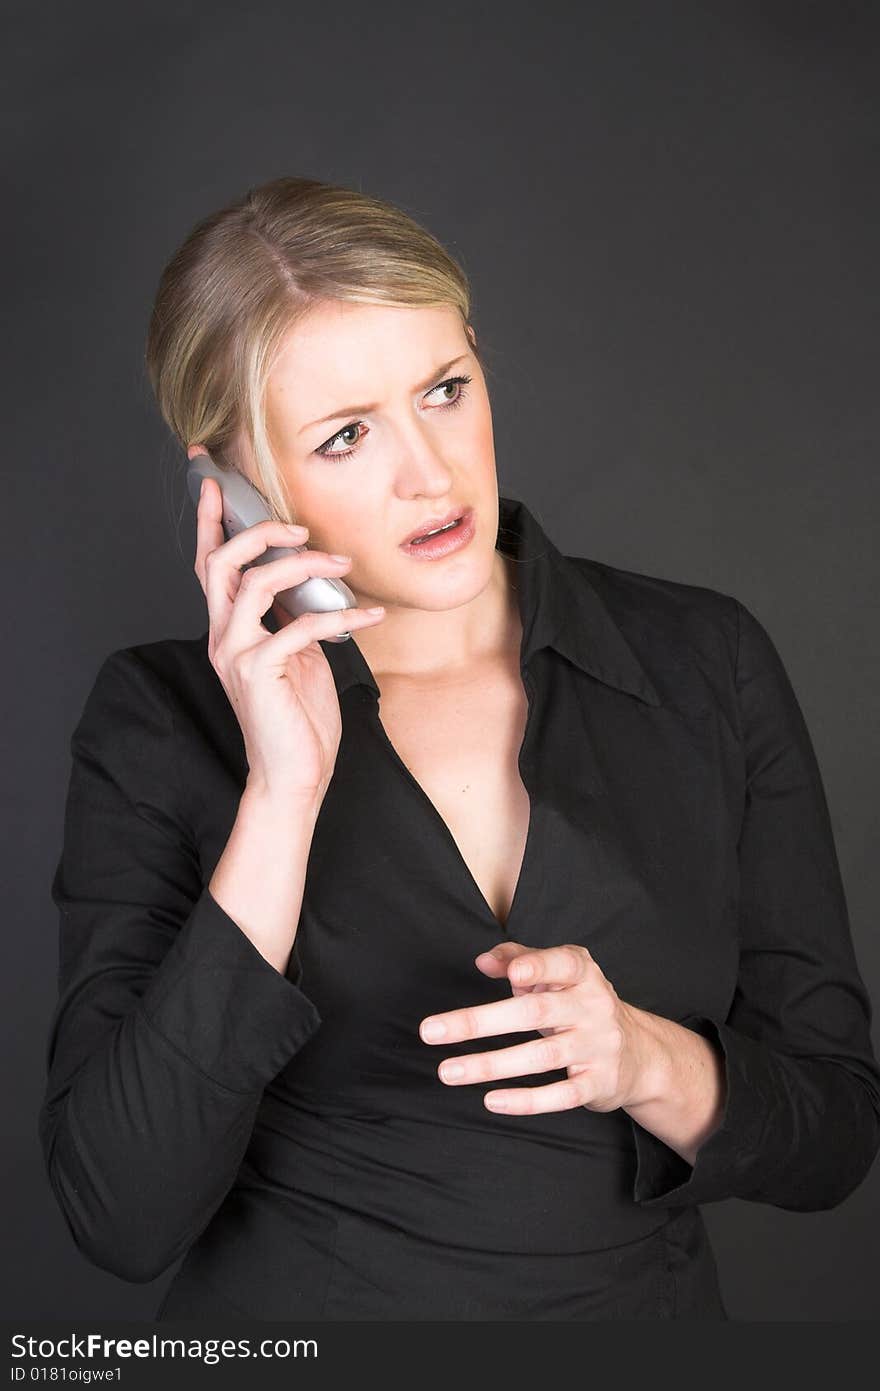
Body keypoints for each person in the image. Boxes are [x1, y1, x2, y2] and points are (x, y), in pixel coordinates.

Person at [38, 176, 880, 1322]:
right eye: (344, 434)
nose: (428, 473)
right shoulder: (158, 718)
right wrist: (282, 799)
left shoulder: (703, 660)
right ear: (225, 483)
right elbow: (119, 1215)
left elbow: (833, 1137)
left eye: (443, 390)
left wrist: (647, 1059)